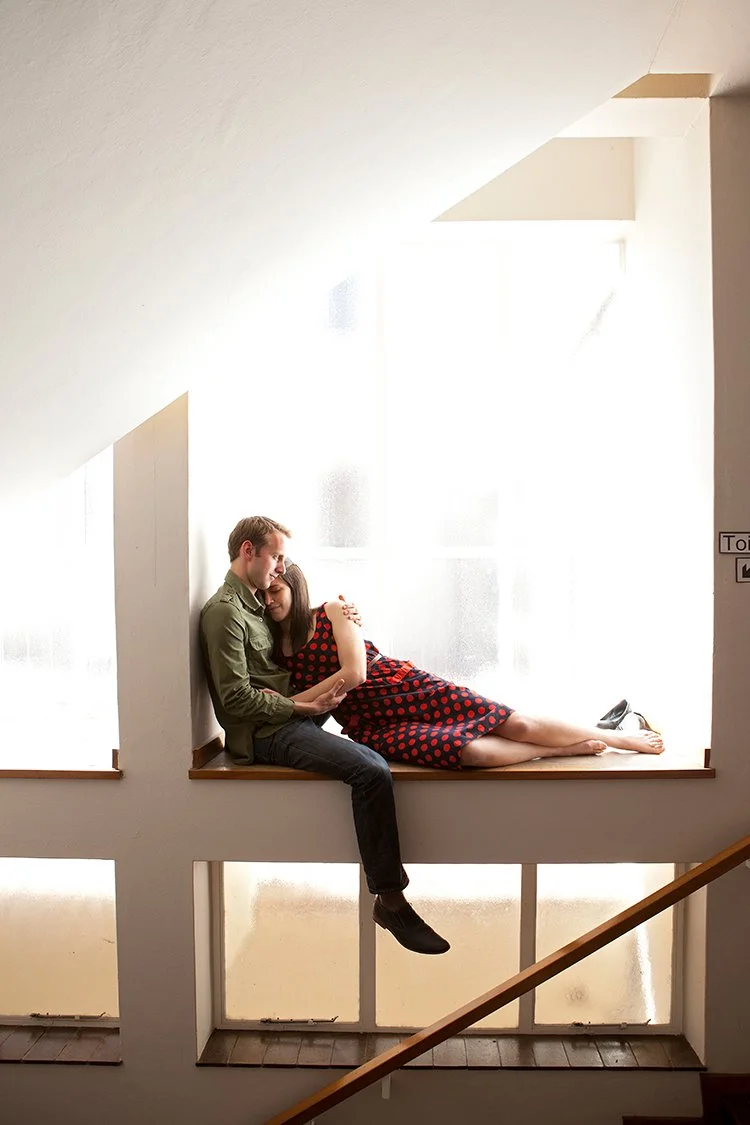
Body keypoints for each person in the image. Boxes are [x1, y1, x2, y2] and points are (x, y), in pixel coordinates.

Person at [200, 516, 449, 956]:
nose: (280, 567)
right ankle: (390, 900)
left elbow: (296, 612)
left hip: (288, 714)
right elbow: (234, 701)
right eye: (275, 556)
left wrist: (338, 610)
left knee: (371, 691)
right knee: (371, 770)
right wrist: (301, 706)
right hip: (264, 733)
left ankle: (443, 729)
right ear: (247, 552)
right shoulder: (224, 613)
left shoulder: (258, 604)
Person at [265, 563, 664, 770]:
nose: (269, 600)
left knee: (516, 724)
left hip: (405, 688)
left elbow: (355, 674)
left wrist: (293, 704)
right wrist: (302, 707)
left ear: (296, 588)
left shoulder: (332, 610)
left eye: (277, 590)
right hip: (372, 726)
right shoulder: (273, 646)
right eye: (264, 594)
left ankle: (616, 738)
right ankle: (568, 748)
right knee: (471, 755)